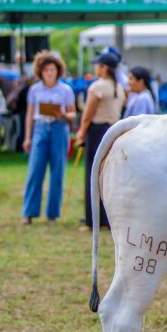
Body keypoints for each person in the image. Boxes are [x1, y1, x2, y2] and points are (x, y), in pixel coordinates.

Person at [21, 51, 76, 225]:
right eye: (46, 70)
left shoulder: (66, 90)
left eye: (52, 70)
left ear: (57, 71)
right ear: (41, 72)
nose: (49, 73)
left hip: (59, 128)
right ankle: (29, 212)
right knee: (35, 170)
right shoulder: (34, 89)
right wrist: (27, 137)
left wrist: (64, 115)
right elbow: (30, 114)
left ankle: (53, 214)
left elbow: (73, 113)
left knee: (57, 171)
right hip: (40, 127)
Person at [77, 52, 126, 229]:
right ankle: (107, 219)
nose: (95, 68)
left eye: (97, 65)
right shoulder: (119, 87)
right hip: (113, 131)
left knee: (93, 175)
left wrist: (81, 133)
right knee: (109, 177)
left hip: (97, 131)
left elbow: (87, 114)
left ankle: (93, 220)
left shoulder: (97, 87)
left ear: (104, 68)